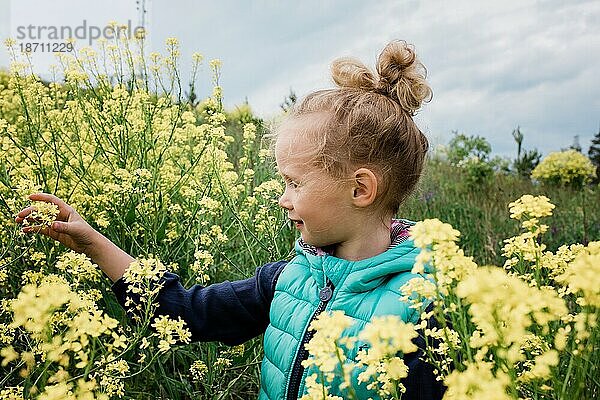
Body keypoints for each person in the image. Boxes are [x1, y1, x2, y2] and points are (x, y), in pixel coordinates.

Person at [16, 40, 445, 399]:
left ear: (360, 189)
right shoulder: (289, 279)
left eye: (294, 183)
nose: (283, 199)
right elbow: (184, 313)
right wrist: (93, 242)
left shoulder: (423, 309)